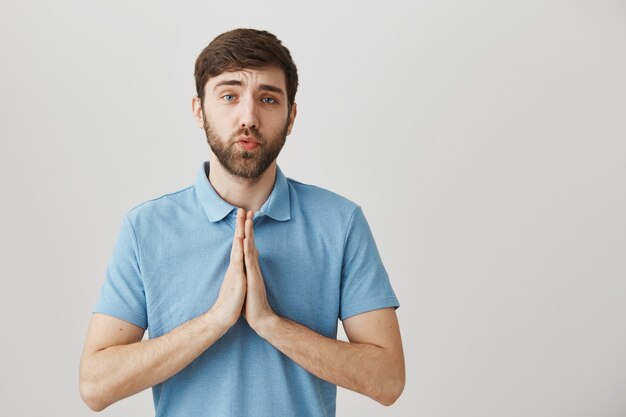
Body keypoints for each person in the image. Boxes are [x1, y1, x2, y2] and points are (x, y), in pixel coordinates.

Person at [79, 28, 405, 417]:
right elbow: (95, 386)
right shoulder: (145, 228)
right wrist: (215, 321)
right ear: (199, 110)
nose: (248, 116)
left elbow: (388, 381)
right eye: (229, 96)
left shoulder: (340, 222)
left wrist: (270, 323)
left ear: (291, 116)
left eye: (268, 99)